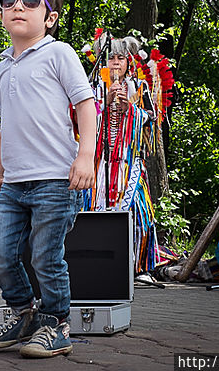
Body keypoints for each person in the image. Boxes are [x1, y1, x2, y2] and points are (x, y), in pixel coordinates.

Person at [0, 0, 97, 359]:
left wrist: (85, 157)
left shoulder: (58, 53)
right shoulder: (1, 67)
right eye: (8, 0)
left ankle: (55, 324)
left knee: (46, 256)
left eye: (31, 0)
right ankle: (23, 314)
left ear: (50, 17)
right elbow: (6, 125)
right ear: (0, 11)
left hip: (54, 180)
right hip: (14, 182)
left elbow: (85, 104)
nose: (18, 7)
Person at [84, 31, 171, 275]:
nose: (115, 63)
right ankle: (99, 264)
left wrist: (129, 109)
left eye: (121, 58)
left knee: (140, 217)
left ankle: (138, 267)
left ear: (128, 62)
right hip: (100, 166)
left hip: (129, 164)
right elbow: (82, 122)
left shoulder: (139, 87)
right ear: (103, 62)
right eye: (111, 58)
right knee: (95, 214)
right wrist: (104, 106)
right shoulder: (93, 88)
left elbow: (153, 120)